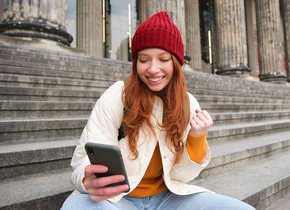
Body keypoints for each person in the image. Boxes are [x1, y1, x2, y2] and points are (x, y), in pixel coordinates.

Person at [61, 11, 255, 210]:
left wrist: (197, 138)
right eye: (144, 60)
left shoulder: (188, 104)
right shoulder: (118, 96)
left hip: (169, 199)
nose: (153, 69)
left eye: (163, 59)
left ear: (177, 63)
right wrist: (87, 179)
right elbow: (82, 159)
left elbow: (182, 175)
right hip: (117, 200)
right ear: (135, 62)